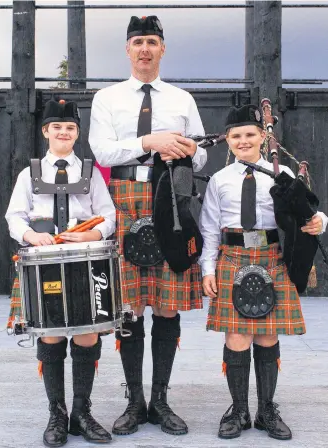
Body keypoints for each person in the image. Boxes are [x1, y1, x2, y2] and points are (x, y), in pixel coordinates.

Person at [89, 15, 207, 436]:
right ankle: (135, 403)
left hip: (170, 199)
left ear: (162, 49)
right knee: (130, 304)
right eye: (138, 41)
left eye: (152, 42)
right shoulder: (107, 98)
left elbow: (204, 155)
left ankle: (160, 400)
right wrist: (148, 142)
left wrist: (191, 148)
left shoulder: (181, 98)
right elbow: (101, 150)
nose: (144, 49)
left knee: (167, 301)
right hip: (123, 200)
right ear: (127, 49)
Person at [199, 104, 328, 440]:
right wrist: (207, 270)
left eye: (250, 134)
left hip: (271, 256)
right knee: (237, 337)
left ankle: (266, 409)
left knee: (267, 335)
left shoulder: (282, 173)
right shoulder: (219, 180)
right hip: (233, 255)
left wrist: (320, 221)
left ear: (263, 136)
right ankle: (239, 410)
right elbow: (210, 228)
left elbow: (309, 209)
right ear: (227, 140)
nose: (244, 141)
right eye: (236, 135)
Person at [5, 100, 116, 447]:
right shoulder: (31, 172)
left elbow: (109, 215)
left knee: (86, 335)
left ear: (77, 133)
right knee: (51, 335)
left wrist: (93, 234)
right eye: (57, 127)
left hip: (85, 262)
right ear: (46, 132)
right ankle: (57, 413)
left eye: (70, 128)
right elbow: (14, 217)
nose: (63, 133)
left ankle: (82, 413)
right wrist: (30, 235)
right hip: (44, 264)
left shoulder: (90, 171)